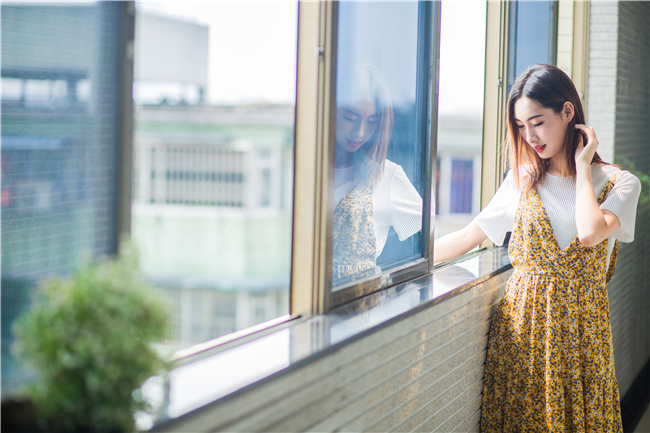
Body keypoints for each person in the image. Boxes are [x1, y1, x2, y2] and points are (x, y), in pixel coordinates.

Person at [434, 64, 641, 431]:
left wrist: (580, 166)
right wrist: (397, 266)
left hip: (584, 334)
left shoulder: (619, 183)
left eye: (538, 121)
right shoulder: (521, 181)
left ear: (567, 111)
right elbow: (468, 237)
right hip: (523, 332)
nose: (529, 135)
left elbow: (591, 232)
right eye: (520, 125)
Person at [332, 63, 422, 281]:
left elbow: (428, 244)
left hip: (364, 305)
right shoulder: (306, 171)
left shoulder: (387, 176)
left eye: (372, 121)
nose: (360, 132)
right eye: (350, 118)